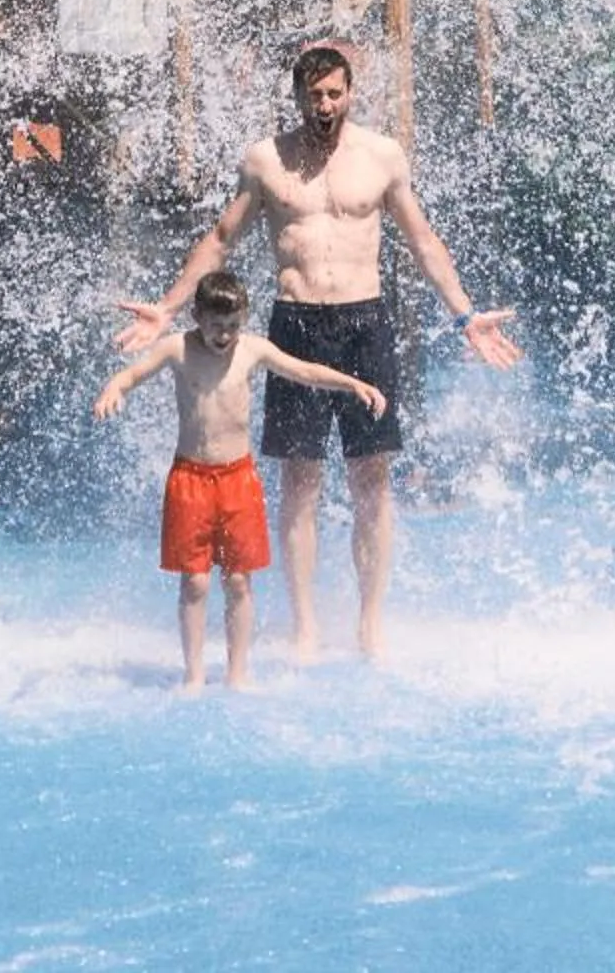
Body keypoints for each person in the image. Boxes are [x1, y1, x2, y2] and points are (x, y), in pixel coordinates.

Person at [116, 40, 521, 661]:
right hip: (296, 322)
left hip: (365, 323)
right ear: (298, 98)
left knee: (371, 479)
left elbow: (422, 240)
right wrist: (169, 308)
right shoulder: (266, 161)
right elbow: (221, 239)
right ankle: (306, 625)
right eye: (315, 96)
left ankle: (369, 622)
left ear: (350, 93)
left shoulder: (381, 156)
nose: (325, 105)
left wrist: (465, 315)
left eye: (335, 94)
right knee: (300, 480)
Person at [95, 265, 387, 692]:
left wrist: (352, 384)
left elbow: (305, 371)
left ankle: (238, 673)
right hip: (190, 479)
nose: (224, 335)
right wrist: (113, 390)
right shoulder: (176, 348)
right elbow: (130, 375)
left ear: (243, 320)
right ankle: (194, 675)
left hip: (238, 480)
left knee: (237, 580)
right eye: (216, 325)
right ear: (197, 316)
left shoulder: (252, 350)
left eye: (232, 325)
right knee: (195, 581)